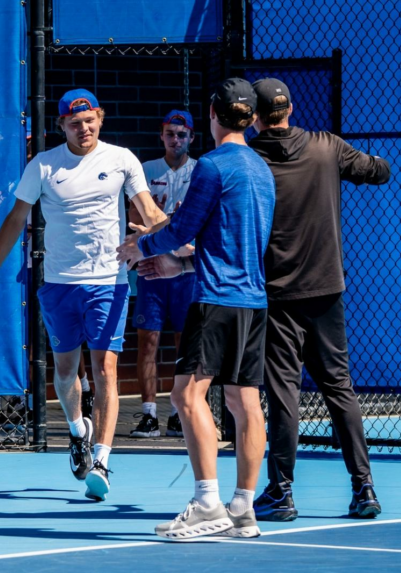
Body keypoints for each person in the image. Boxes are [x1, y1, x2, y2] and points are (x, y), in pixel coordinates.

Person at [0, 89, 167, 501]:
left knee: (105, 369)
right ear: (62, 126)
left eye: (90, 121)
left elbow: (150, 212)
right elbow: (15, 218)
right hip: (59, 283)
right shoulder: (43, 165)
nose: (84, 129)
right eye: (75, 124)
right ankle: (77, 431)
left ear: (100, 118)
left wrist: (179, 240)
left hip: (108, 281)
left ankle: (102, 460)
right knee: (66, 370)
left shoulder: (122, 159)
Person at [117, 78, 275, 540]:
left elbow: (184, 227)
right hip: (252, 302)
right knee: (244, 401)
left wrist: (142, 247)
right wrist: (179, 264)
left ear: (212, 114)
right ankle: (243, 509)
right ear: (251, 118)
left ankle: (208, 504)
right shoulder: (261, 168)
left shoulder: (212, 166)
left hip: (216, 299)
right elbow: (225, 235)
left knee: (186, 396)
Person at [247, 78, 391, 520]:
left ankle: (281, 492)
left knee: (283, 393)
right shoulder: (327, 147)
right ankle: (364, 488)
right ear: (290, 109)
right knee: (339, 387)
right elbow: (380, 171)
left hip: (277, 296)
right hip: (326, 291)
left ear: (254, 117)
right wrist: (364, 162)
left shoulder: (249, 161)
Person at [128, 109, 198, 439]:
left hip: (187, 269)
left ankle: (177, 414)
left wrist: (166, 226)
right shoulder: (146, 170)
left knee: (185, 344)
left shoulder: (201, 171)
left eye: (182, 134)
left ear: (191, 137)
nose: (175, 139)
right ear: (161, 136)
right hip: (152, 268)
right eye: (170, 134)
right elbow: (134, 215)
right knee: (148, 342)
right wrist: (163, 224)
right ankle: (148, 415)